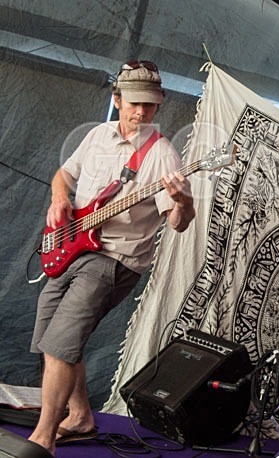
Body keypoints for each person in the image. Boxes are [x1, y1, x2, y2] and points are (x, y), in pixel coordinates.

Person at [28, 60, 196, 455]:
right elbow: (64, 175)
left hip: (114, 261)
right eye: (134, 103)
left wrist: (183, 200)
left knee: (61, 344)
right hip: (72, 247)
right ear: (116, 99)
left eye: (150, 106)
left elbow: (179, 223)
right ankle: (81, 416)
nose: (141, 112)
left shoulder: (163, 156)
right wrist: (58, 200)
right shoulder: (98, 136)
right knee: (50, 337)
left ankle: (43, 437)